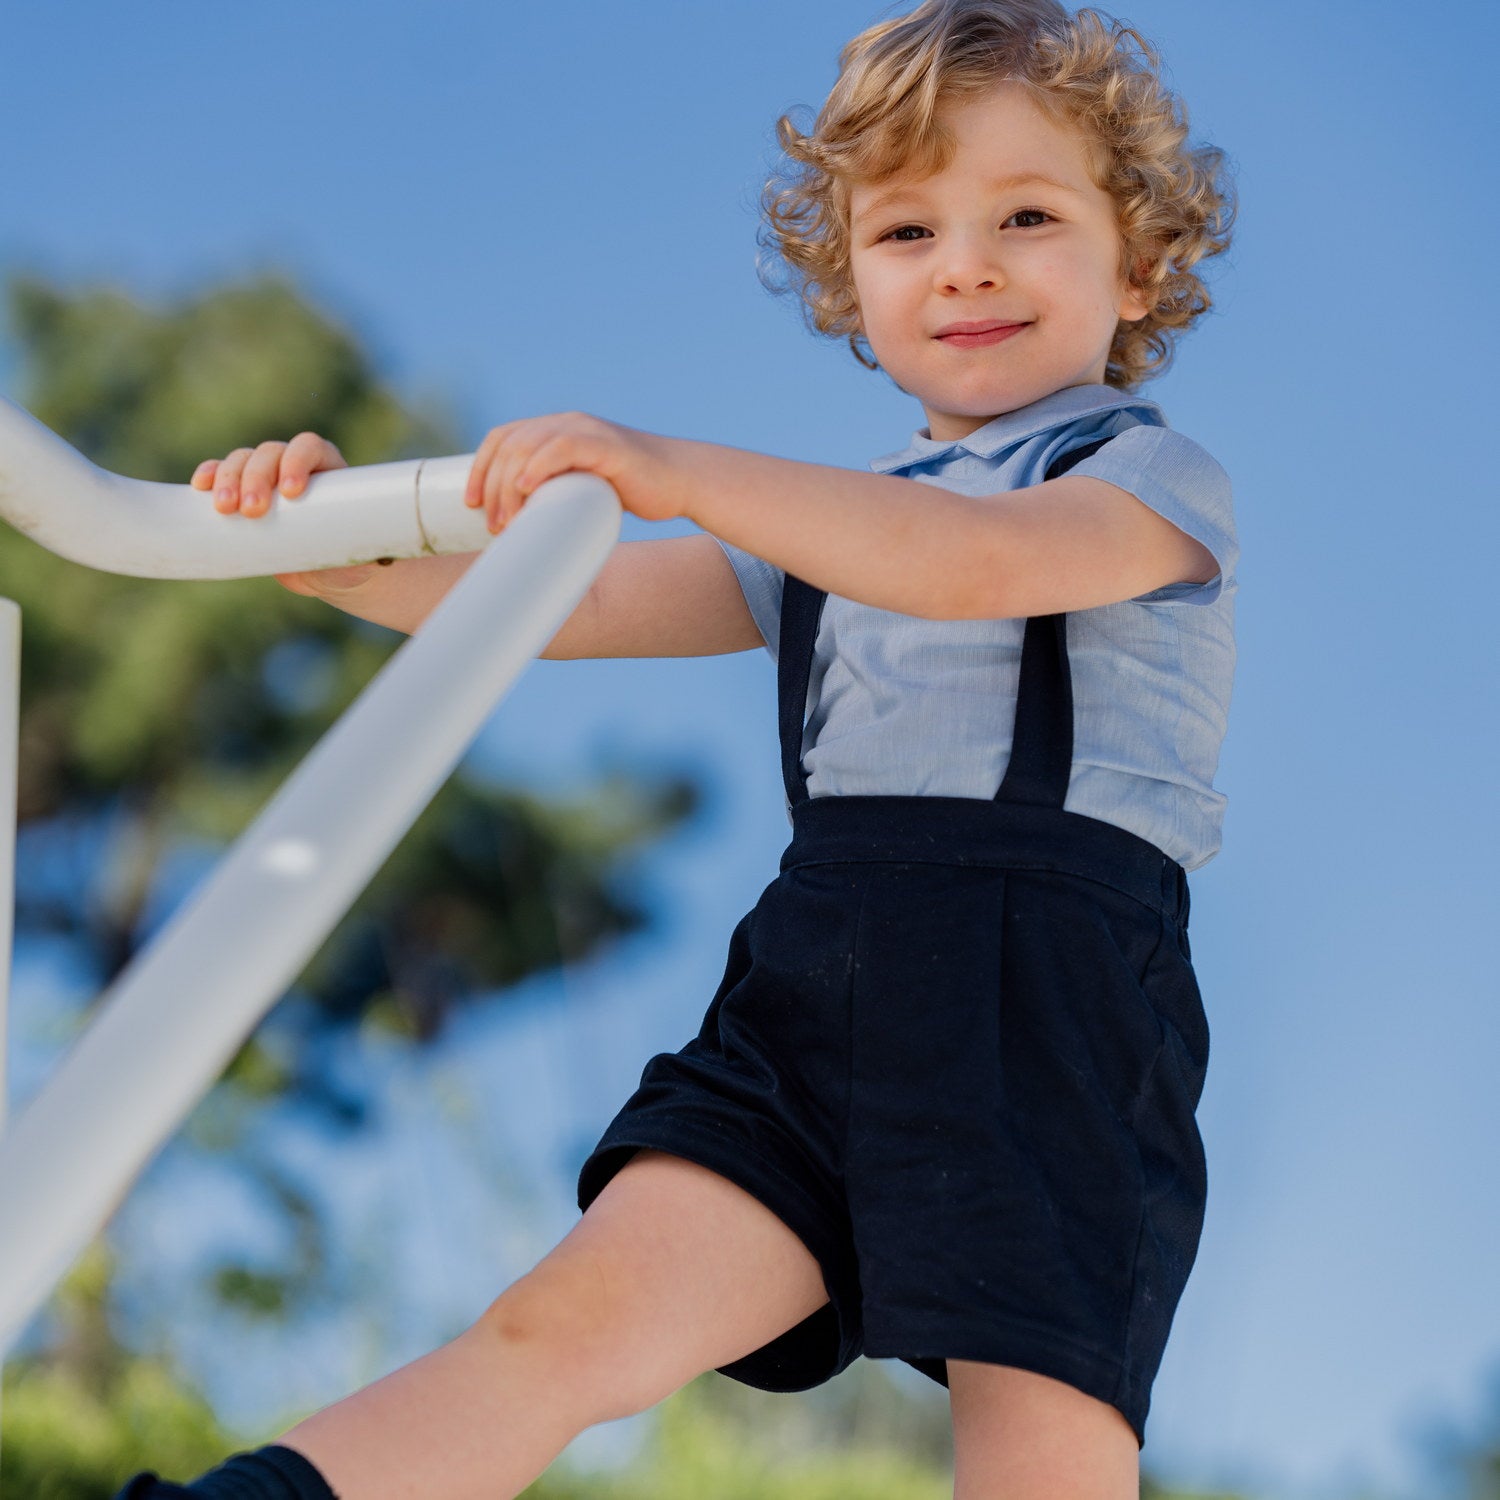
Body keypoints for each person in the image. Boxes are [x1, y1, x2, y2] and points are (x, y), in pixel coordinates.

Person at [114, 0, 1237, 1495]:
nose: (964, 262)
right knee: (557, 1325)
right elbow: (556, 604)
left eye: (1024, 215)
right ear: (849, 280)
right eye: (906, 232)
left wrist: (674, 467)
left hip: (1048, 989)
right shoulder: (822, 535)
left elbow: (966, 564)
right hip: (816, 981)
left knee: (1036, 1457)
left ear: (1139, 261)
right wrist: (330, 550)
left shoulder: (1145, 475)